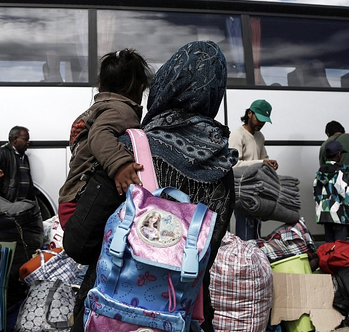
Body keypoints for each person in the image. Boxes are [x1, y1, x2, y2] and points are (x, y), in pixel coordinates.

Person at [65, 41, 237, 332]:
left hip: (112, 314)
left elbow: (79, 244)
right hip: (181, 314)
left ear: (168, 83)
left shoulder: (130, 148)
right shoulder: (223, 167)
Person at [57, 48, 151, 228]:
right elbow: (99, 135)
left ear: (101, 86)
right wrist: (120, 165)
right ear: (140, 89)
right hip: (82, 203)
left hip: (70, 200)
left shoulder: (96, 110)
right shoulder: (122, 111)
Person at [229, 99, 278, 240]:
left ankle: (255, 260)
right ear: (250, 113)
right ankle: (245, 261)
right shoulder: (238, 135)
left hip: (257, 191)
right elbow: (234, 165)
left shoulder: (260, 137)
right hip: (242, 191)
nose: (261, 124)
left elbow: (264, 159)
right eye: (259, 119)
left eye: (264, 121)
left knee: (256, 232)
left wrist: (270, 164)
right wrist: (262, 162)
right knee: (245, 232)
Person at [314, 140, 349, 242]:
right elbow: (345, 195)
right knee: (340, 246)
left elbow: (316, 194)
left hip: (324, 214)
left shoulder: (320, 172)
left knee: (329, 245)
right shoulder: (339, 172)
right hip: (339, 214)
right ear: (339, 154)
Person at [0, 126, 36, 202]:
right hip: (7, 204)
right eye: (25, 139)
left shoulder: (24, 157)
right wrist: (0, 202)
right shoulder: (1, 154)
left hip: (22, 204)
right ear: (15, 139)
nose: (28, 142)